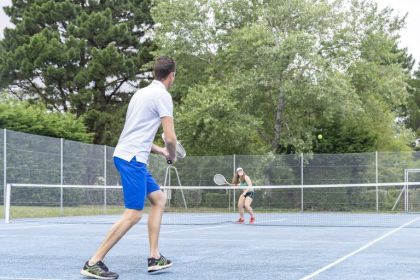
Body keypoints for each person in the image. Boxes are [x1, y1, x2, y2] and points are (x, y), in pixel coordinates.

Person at [80, 56, 178, 279]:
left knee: (158, 198)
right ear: (172, 75)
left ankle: (155, 257)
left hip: (130, 154)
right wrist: (171, 152)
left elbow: (137, 134)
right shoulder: (163, 95)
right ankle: (93, 262)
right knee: (133, 214)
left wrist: (161, 152)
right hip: (132, 159)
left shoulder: (140, 94)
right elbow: (171, 138)